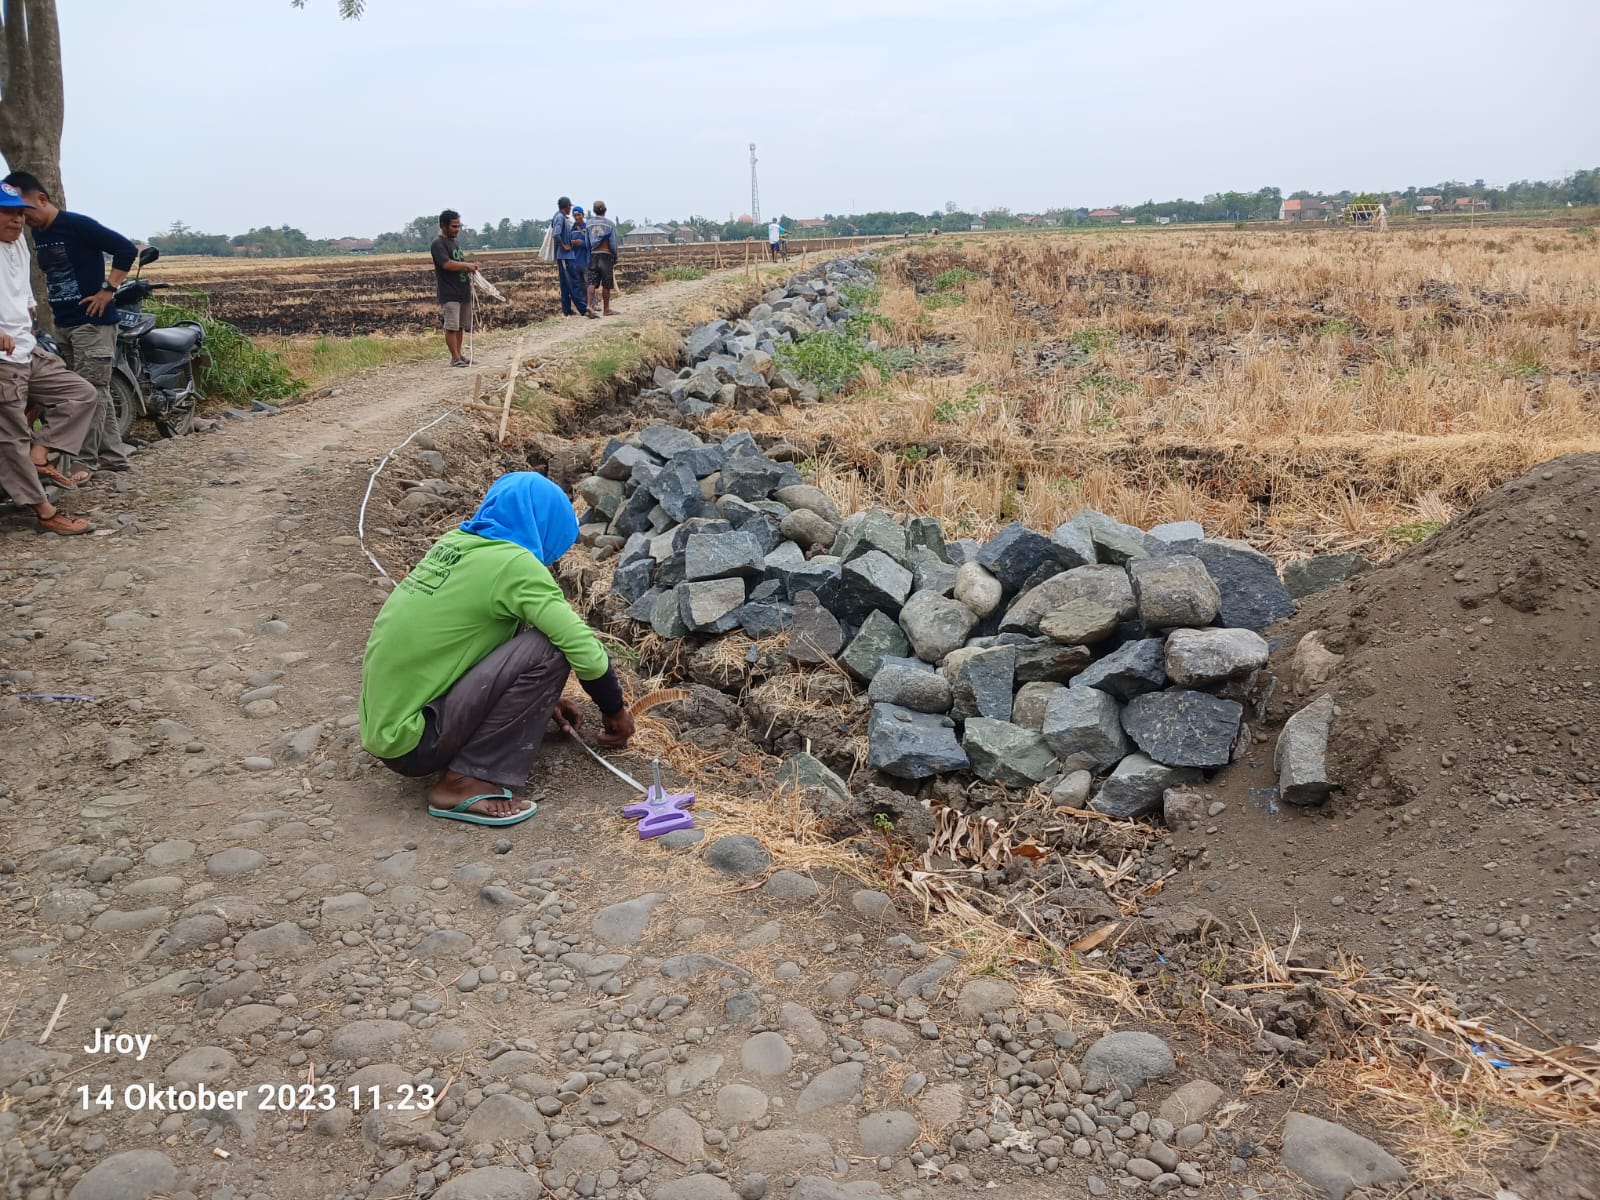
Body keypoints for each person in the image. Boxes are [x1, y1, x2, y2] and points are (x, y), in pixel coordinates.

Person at [359, 472, 636, 826]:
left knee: (530, 634)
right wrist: (614, 710)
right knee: (549, 645)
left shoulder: (456, 544)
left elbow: (466, 644)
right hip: (415, 743)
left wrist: (536, 700)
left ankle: (461, 763)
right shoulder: (513, 564)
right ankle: (462, 783)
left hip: (390, 727)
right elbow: (582, 645)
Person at [3, 171, 138, 478]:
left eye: (24, 209)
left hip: (93, 323)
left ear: (42, 198)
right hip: (64, 323)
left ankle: (85, 461)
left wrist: (108, 290)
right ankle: (115, 457)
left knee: (91, 390)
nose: (22, 217)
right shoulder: (34, 236)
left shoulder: (77, 225)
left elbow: (126, 249)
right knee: (89, 392)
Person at [0, 182, 96, 534]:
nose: (16, 219)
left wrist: (30, 321)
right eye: (6, 212)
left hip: (26, 349)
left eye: (18, 212)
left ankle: (40, 456)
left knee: (81, 393)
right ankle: (44, 511)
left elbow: (23, 295)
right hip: (2, 359)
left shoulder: (19, 245)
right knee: (10, 438)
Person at [430, 209, 477, 367]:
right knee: (451, 326)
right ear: (443, 226)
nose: (457, 229)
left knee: (460, 326)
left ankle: (459, 354)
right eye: (454, 226)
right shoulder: (438, 244)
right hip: (449, 292)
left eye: (458, 226)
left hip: (462, 290)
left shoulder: (455, 242)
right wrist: (466, 265)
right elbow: (446, 264)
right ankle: (454, 357)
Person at [550, 197, 589, 318]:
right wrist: (564, 246)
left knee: (565, 284)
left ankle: (567, 310)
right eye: (569, 207)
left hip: (565, 256)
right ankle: (583, 309)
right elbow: (556, 234)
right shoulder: (560, 218)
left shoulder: (560, 217)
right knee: (573, 283)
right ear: (566, 206)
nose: (570, 209)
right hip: (565, 257)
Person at [585, 201, 620, 316]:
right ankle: (606, 309)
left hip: (594, 254)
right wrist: (615, 256)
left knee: (591, 282)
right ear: (605, 210)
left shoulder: (589, 224)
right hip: (605, 254)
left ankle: (589, 306)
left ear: (594, 210)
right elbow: (613, 243)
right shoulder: (609, 224)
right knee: (606, 283)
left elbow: (587, 243)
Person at [568, 208, 598, 320]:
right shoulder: (572, 230)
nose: (577, 217)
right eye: (574, 215)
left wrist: (582, 243)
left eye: (579, 215)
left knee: (589, 283)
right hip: (576, 261)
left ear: (583, 215)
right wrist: (572, 243)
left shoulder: (588, 228)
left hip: (586, 261)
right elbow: (568, 244)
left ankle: (594, 304)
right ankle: (586, 306)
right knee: (580, 286)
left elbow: (593, 243)